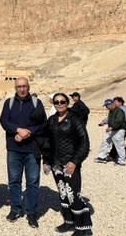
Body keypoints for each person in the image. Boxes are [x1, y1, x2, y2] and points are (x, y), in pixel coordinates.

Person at [0, 77, 46, 228]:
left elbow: (43, 123)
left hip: (32, 149)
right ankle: (15, 209)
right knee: (14, 181)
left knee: (32, 182)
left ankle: (31, 212)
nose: (22, 89)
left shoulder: (36, 103)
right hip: (14, 148)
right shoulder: (9, 103)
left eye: (24, 86)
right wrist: (17, 130)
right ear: (15, 87)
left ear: (28, 87)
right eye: (19, 86)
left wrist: (28, 132)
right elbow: (4, 121)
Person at [43, 93, 92, 235]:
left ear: (67, 102)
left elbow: (84, 143)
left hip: (70, 163)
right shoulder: (51, 120)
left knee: (73, 194)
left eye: (62, 101)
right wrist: (46, 160)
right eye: (56, 102)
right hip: (56, 164)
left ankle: (84, 227)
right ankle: (69, 221)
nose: (59, 104)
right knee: (63, 193)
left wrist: (75, 161)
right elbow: (47, 142)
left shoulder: (75, 119)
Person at [95, 99, 126, 166]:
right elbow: (109, 119)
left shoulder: (119, 111)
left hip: (118, 130)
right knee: (105, 142)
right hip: (111, 130)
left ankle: (121, 161)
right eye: (106, 106)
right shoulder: (111, 111)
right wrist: (103, 122)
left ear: (112, 104)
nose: (106, 107)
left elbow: (119, 121)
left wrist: (112, 127)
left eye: (107, 106)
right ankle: (102, 157)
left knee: (119, 145)